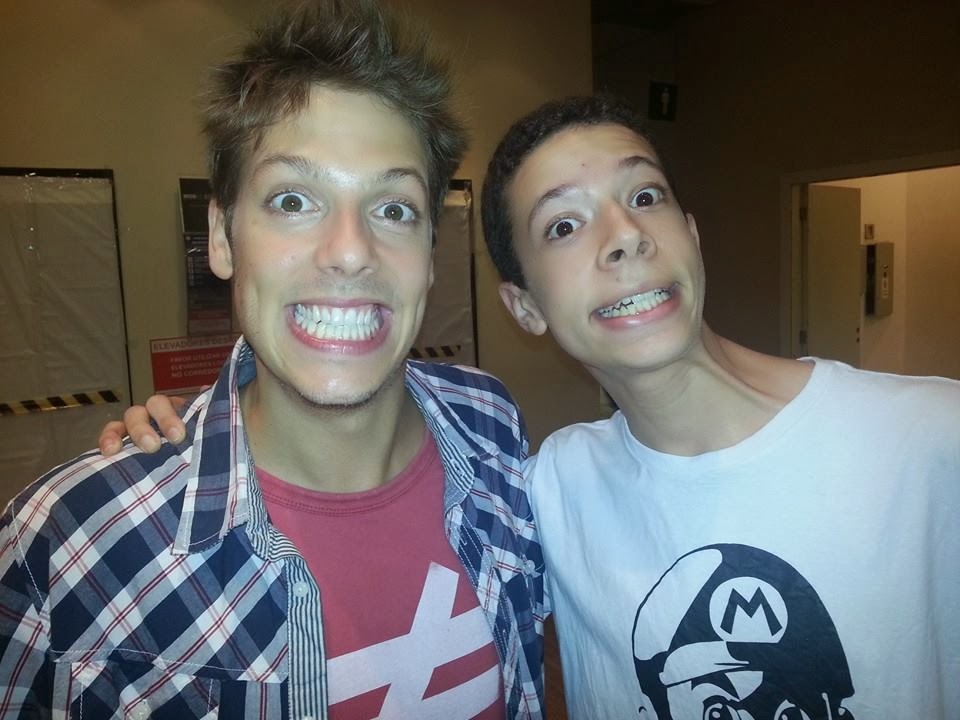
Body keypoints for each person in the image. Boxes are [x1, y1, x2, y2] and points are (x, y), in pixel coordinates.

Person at [100, 95, 960, 717]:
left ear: (691, 237)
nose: (624, 237)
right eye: (563, 226)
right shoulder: (546, 485)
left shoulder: (929, 440)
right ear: (525, 308)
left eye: (645, 196)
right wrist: (191, 438)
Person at [0, 2, 547, 718]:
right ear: (221, 237)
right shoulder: (69, 545)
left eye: (394, 208)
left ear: (429, 252)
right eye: (293, 200)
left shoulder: (492, 425)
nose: (349, 251)